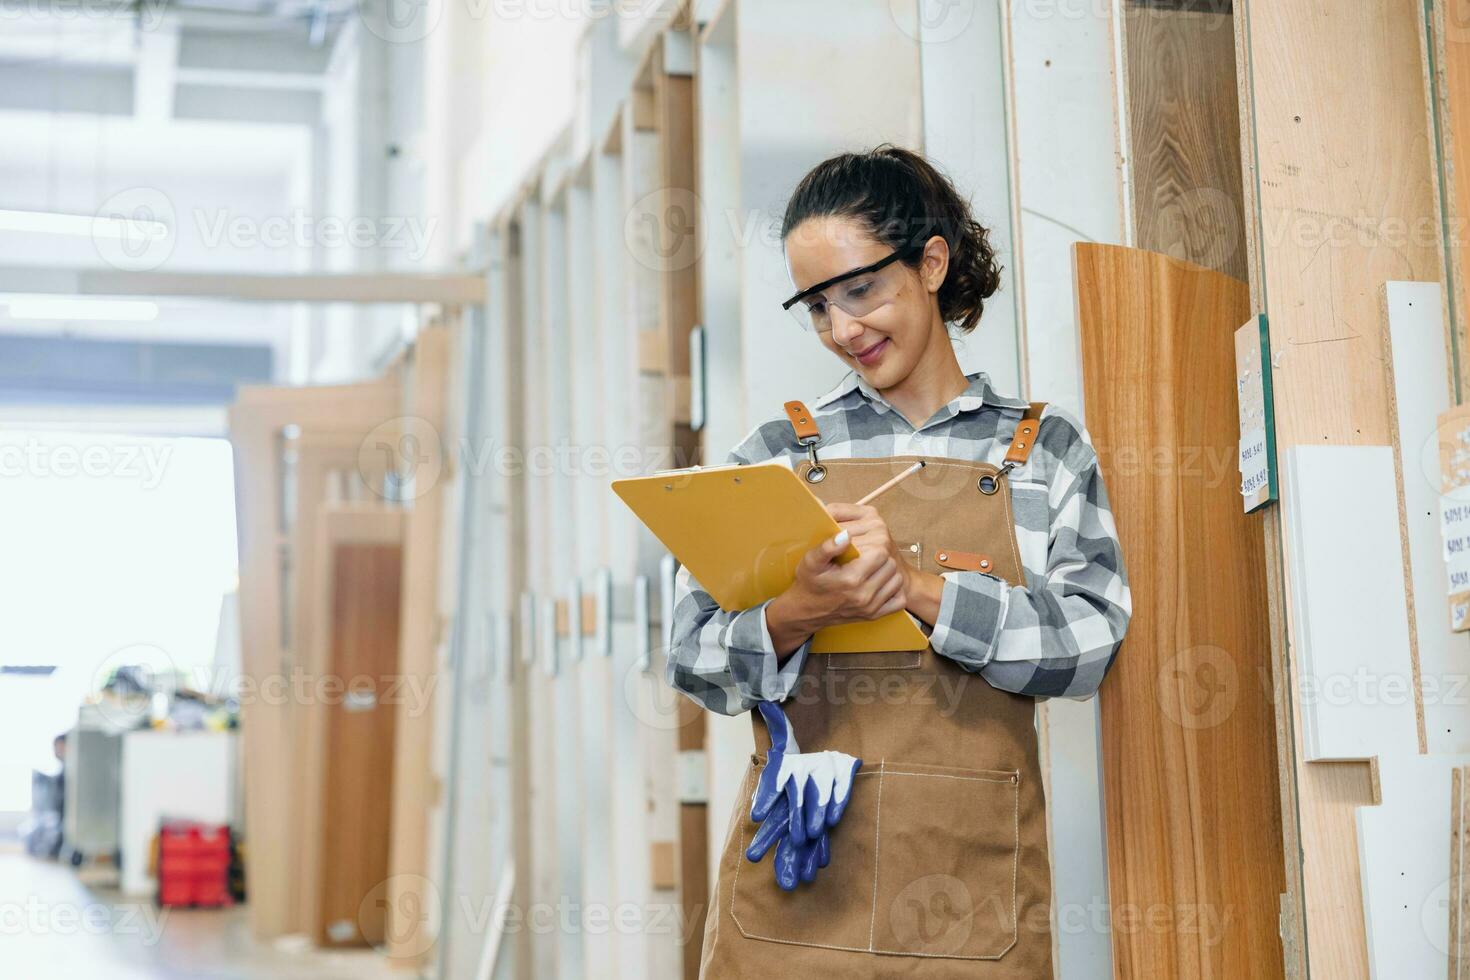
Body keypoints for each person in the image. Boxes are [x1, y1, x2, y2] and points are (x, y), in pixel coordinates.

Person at [666, 145, 1132, 978]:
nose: (843, 330)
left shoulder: (1041, 449)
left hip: (969, 898)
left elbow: (1089, 646)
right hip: (798, 892)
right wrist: (802, 608)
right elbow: (692, 659)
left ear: (930, 263)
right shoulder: (772, 459)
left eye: (860, 289)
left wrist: (919, 591)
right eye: (816, 306)